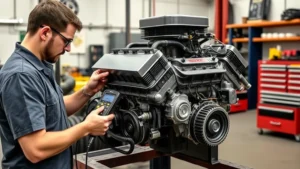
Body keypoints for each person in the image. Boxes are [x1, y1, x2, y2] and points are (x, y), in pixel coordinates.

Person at [0, 1, 115, 169]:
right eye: (66, 41)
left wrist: (87, 91)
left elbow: (52, 110)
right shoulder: (22, 75)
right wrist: (86, 127)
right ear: (45, 32)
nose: (68, 48)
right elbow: (35, 149)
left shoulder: (38, 65)